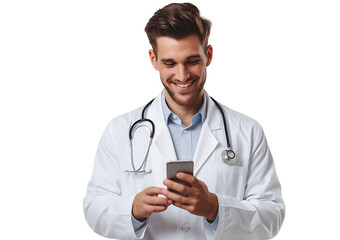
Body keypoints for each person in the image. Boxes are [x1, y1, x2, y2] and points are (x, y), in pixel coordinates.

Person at [83, 3, 285, 240]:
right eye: (170, 63)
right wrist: (133, 210)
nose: (182, 75)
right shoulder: (120, 130)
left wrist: (215, 208)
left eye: (191, 61)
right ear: (153, 59)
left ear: (208, 55)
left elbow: (272, 215)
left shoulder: (248, 131)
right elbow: (94, 207)